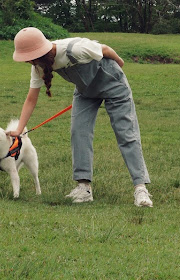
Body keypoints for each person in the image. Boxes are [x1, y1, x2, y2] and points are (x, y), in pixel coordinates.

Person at [8, 27, 153, 207]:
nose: (26, 61)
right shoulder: (38, 67)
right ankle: (84, 188)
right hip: (85, 92)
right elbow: (31, 98)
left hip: (114, 85)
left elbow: (106, 50)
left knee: (126, 134)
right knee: (79, 132)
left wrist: (119, 66)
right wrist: (20, 129)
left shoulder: (75, 49)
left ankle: (140, 188)